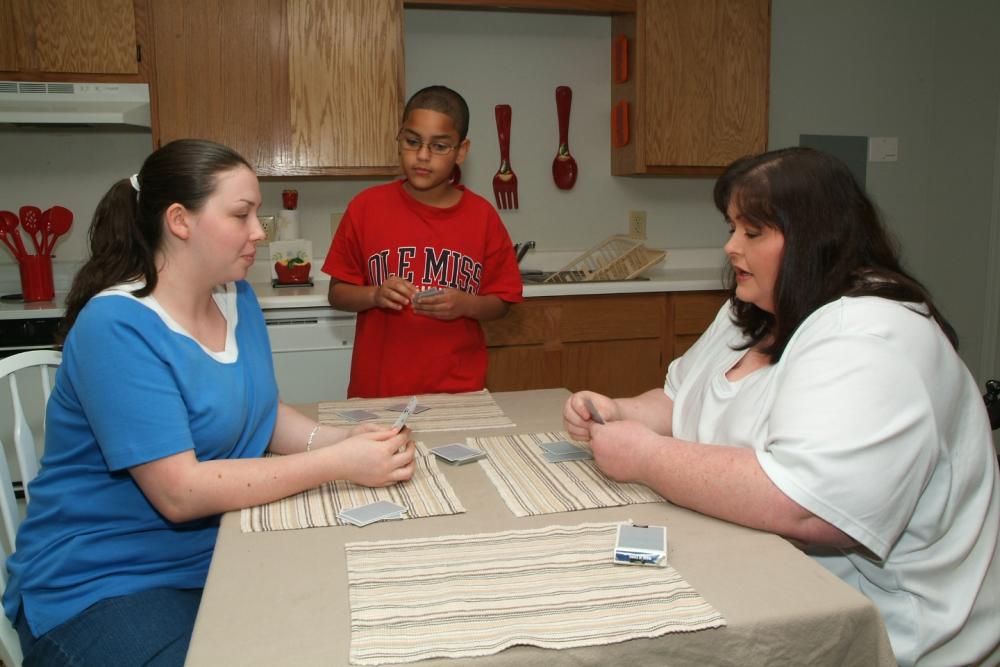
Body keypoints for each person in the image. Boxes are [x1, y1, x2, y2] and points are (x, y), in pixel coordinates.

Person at [564, 147, 1000, 667]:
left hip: (890, 632)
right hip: (769, 574)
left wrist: (645, 457)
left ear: (816, 239)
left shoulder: (874, 335)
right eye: (731, 228)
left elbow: (811, 506)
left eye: (752, 233)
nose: (729, 247)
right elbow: (682, 400)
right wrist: (622, 411)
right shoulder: (750, 310)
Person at [3, 139, 415, 666]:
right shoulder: (117, 327)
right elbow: (180, 493)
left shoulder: (236, 296)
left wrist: (342, 439)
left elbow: (261, 415)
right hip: (99, 585)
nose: (260, 232)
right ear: (180, 220)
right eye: (241, 215)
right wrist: (336, 463)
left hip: (218, 558)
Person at [323, 85, 523, 398]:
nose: (423, 155)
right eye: (412, 141)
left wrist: (465, 304)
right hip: (379, 390)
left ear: (461, 151)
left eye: (440, 146)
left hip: (458, 391)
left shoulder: (482, 217)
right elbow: (337, 293)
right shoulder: (366, 208)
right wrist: (375, 295)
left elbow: (503, 303)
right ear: (399, 139)